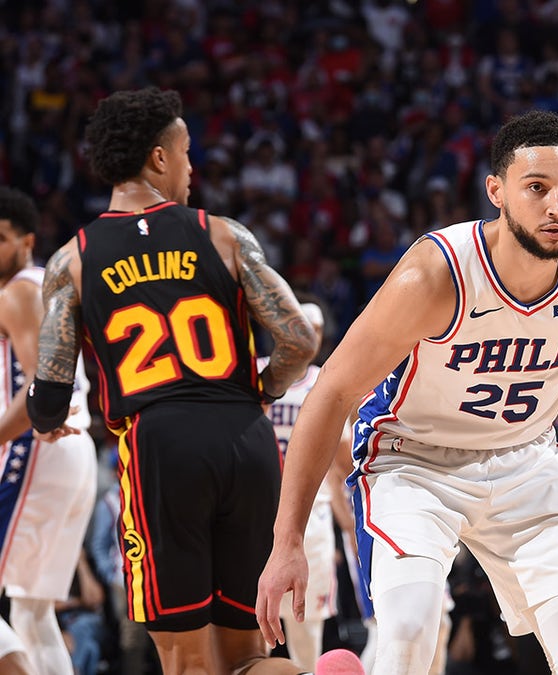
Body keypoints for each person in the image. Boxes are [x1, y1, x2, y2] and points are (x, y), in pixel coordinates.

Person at [256, 110, 558, 675]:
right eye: (536, 189)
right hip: (413, 464)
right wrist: (287, 539)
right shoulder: (437, 274)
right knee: (409, 631)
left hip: (527, 462)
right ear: (497, 191)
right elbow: (332, 392)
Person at [26, 87, 322, 675]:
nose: (194, 166)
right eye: (188, 152)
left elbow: (51, 391)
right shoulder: (223, 234)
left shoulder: (73, 262)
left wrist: (48, 419)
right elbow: (299, 340)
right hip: (246, 439)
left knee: (187, 663)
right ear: (160, 159)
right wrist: (261, 391)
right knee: (248, 655)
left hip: (160, 448)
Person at [0, 187, 97, 675]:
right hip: (73, 449)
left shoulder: (17, 289)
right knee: (32, 611)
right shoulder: (49, 286)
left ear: (26, 241)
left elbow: (42, 378)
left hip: (37, 445)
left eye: (0, 238)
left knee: (28, 610)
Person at [261, 300, 352, 671]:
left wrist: (347, 521)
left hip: (310, 518)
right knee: (253, 631)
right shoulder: (255, 375)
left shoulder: (324, 383)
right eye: (298, 327)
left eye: (313, 331)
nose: (305, 336)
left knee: (305, 631)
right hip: (257, 513)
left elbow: (343, 461)